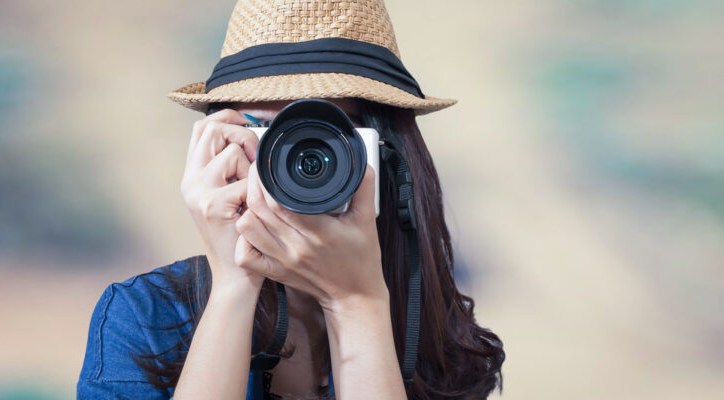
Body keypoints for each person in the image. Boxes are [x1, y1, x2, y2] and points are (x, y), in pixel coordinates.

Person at [76, 1, 505, 399]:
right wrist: (234, 280)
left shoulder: (433, 335)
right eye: (264, 132)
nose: (295, 159)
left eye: (325, 135)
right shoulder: (144, 319)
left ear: (390, 154)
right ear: (218, 145)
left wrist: (357, 304)